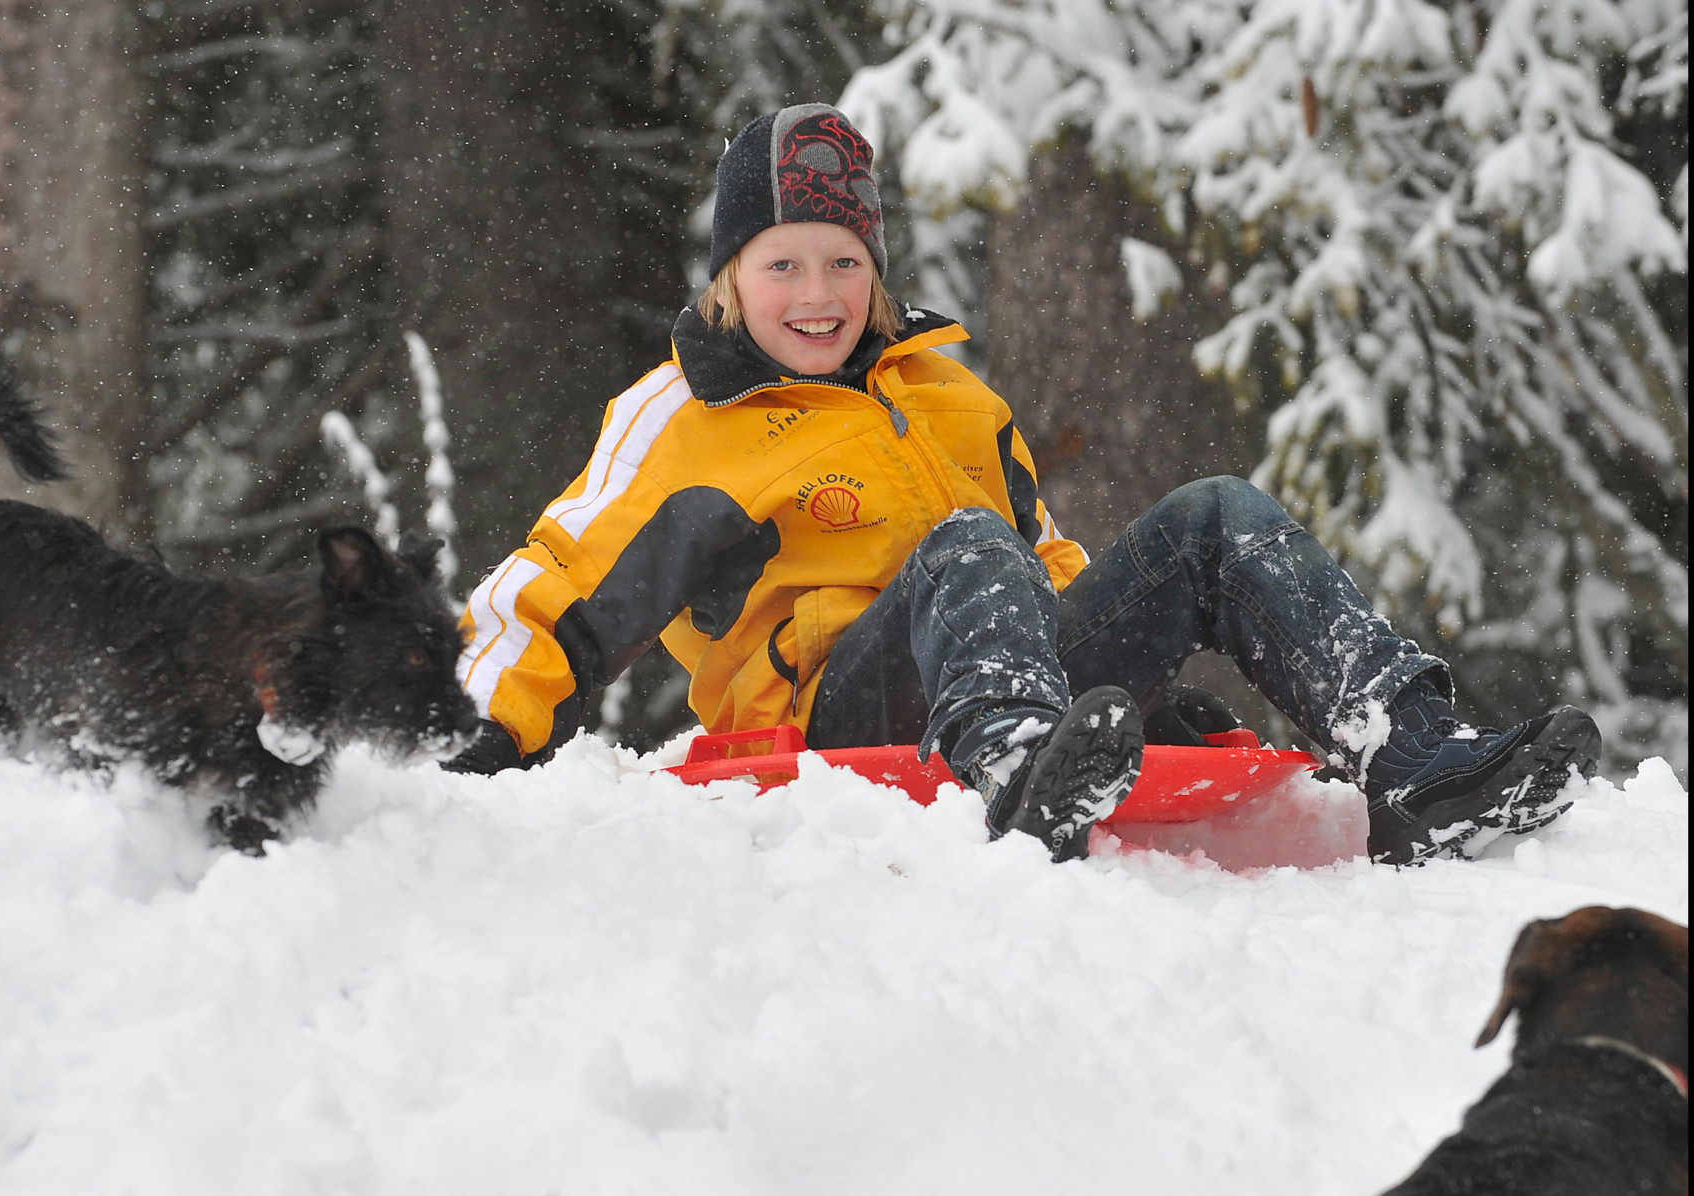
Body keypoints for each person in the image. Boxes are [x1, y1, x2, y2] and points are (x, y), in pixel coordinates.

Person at [444, 103, 1602, 866]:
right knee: (960, 543)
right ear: (729, 277)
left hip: (1014, 678)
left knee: (1216, 514)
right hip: (829, 725)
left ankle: (1410, 756)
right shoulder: (690, 417)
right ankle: (1016, 763)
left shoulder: (950, 398)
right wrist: (468, 729)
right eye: (780, 262)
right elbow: (566, 573)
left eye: (843, 261)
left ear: (876, 273)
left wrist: (1135, 698)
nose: (815, 291)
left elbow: (1045, 565)